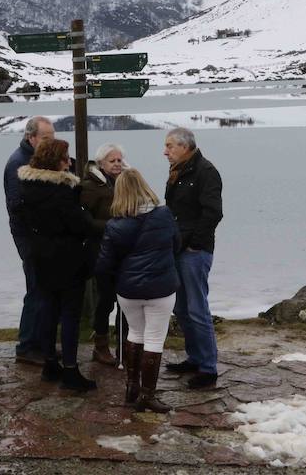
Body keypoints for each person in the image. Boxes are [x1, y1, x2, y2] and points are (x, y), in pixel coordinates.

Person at [95, 168, 180, 412]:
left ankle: (131, 387)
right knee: (154, 338)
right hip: (161, 288)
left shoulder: (114, 226)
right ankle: (148, 395)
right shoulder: (164, 215)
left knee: (135, 333)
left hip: (128, 290)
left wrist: (115, 283)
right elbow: (177, 245)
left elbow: (104, 265)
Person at [18, 139, 96, 391]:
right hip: (67, 258)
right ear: (56, 161)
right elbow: (80, 224)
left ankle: (50, 363)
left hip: (39, 256)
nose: (69, 162)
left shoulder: (27, 187)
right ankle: (71, 371)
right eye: (65, 158)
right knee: (70, 315)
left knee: (48, 310)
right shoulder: (62, 191)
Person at [163, 127, 223, 389]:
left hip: (195, 253)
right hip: (177, 248)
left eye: (170, 146)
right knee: (181, 308)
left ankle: (208, 368)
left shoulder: (206, 172)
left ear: (185, 147)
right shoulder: (178, 170)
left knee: (197, 309)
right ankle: (194, 357)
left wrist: (192, 244)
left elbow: (212, 213)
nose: (165, 151)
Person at [3, 116, 55, 364]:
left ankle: (42, 343)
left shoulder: (37, 158)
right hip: (29, 237)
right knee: (36, 289)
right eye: (46, 138)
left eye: (52, 137)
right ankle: (26, 345)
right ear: (30, 137)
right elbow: (17, 206)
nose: (50, 142)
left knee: (45, 289)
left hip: (42, 235)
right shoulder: (17, 163)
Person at [81, 143, 125, 365]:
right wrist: (113, 226)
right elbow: (85, 222)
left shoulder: (127, 181)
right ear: (100, 164)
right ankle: (101, 346)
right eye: (112, 160)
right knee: (105, 300)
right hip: (100, 251)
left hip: (124, 251)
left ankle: (125, 345)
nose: (117, 164)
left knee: (125, 301)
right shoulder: (90, 186)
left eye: (119, 160)